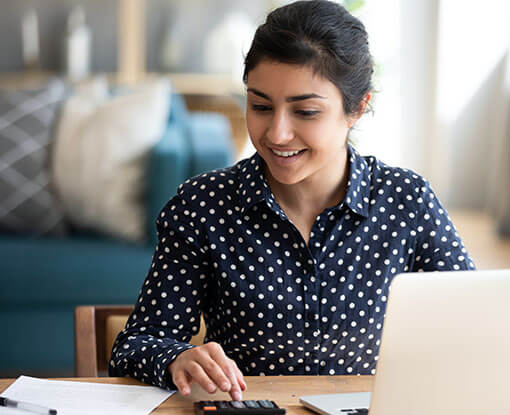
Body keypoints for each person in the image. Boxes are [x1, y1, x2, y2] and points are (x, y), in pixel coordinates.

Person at [110, 0, 475, 402]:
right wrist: (177, 357)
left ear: (357, 109)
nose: (278, 133)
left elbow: (473, 324)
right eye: (260, 106)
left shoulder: (408, 201)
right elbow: (134, 348)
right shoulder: (203, 206)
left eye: (305, 111)